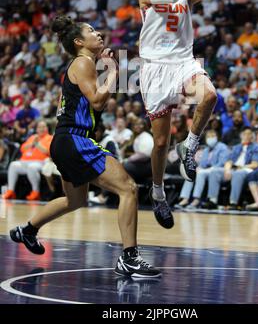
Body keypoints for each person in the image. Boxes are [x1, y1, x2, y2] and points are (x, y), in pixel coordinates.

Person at [9, 16, 160, 279]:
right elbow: (99, 101)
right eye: (92, 31)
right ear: (79, 41)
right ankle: (129, 258)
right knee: (128, 188)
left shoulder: (81, 65)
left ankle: (28, 230)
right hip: (75, 139)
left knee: (75, 200)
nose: (99, 33)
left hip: (63, 141)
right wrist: (112, 70)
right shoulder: (82, 62)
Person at [138, 0, 255, 228]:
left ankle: (189, 146)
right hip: (153, 69)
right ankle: (158, 192)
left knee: (210, 95)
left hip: (182, 62)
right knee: (161, 142)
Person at [3, 120, 53, 201]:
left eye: (44, 127)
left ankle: (35, 192)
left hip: (40, 162)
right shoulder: (32, 137)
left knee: (32, 167)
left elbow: (47, 151)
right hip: (25, 161)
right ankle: (10, 191)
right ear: (36, 129)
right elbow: (22, 148)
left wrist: (37, 144)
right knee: (13, 165)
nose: (41, 129)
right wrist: (32, 143)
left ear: (47, 128)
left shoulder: (50, 138)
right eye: (39, 127)